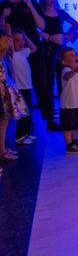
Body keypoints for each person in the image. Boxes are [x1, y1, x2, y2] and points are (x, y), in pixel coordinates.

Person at [0, 0, 60, 131]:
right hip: (16, 53)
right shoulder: (4, 4)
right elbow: (2, 30)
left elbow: (42, 25)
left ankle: (49, 120)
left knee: (43, 84)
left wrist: (31, 7)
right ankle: (24, 125)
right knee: (21, 87)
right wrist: (3, 17)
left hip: (34, 49)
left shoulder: (31, 2)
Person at [38, 0, 78, 100]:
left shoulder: (60, 12)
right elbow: (32, 28)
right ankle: (50, 110)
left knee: (63, 76)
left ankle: (65, 106)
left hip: (62, 49)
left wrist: (68, 35)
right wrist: (42, 34)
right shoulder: (40, 12)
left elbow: (75, 24)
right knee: (49, 78)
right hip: (47, 48)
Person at [0, 30, 28, 161]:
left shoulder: (4, 56)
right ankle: (2, 152)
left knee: (5, 122)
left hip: (5, 89)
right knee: (3, 122)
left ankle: (3, 149)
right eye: (6, 38)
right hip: (2, 91)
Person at [11, 28, 37, 145]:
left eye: (22, 40)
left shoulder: (23, 52)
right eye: (17, 40)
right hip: (19, 88)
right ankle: (20, 136)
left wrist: (25, 36)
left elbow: (34, 48)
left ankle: (26, 134)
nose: (21, 42)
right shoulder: (11, 55)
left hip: (27, 87)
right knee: (22, 113)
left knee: (28, 111)